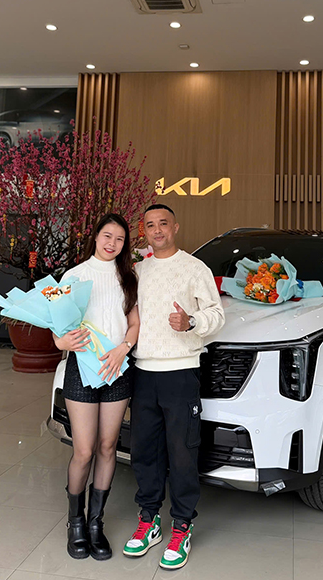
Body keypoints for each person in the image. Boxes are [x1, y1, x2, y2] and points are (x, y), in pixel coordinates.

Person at [123, 204, 225, 570]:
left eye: (163, 223)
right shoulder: (138, 270)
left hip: (181, 372)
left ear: (175, 227)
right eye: (150, 225)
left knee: (182, 452)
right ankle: (149, 520)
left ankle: (182, 525)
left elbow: (217, 315)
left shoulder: (195, 268)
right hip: (143, 372)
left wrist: (191, 321)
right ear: (144, 231)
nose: (157, 230)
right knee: (144, 451)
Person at [54, 213, 140, 561]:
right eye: (107, 236)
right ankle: (75, 523)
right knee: (84, 450)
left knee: (108, 447)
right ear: (96, 236)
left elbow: (134, 323)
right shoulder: (74, 276)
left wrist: (123, 349)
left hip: (117, 369)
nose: (112, 243)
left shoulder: (128, 277)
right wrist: (63, 342)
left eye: (119, 239)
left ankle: (95, 523)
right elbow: (58, 330)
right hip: (82, 369)